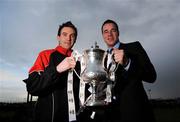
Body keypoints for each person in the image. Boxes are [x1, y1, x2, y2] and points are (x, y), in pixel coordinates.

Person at [23, 21, 92, 122]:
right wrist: (57, 70)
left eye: (72, 36)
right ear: (58, 37)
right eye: (65, 35)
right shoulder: (45, 55)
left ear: (75, 39)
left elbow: (84, 93)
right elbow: (32, 86)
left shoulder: (80, 62)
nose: (68, 38)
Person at [97, 19, 157, 122]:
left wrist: (127, 63)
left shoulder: (134, 47)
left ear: (118, 32)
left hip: (135, 114)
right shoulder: (101, 59)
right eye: (106, 31)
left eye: (113, 30)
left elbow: (151, 76)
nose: (109, 34)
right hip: (111, 115)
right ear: (102, 35)